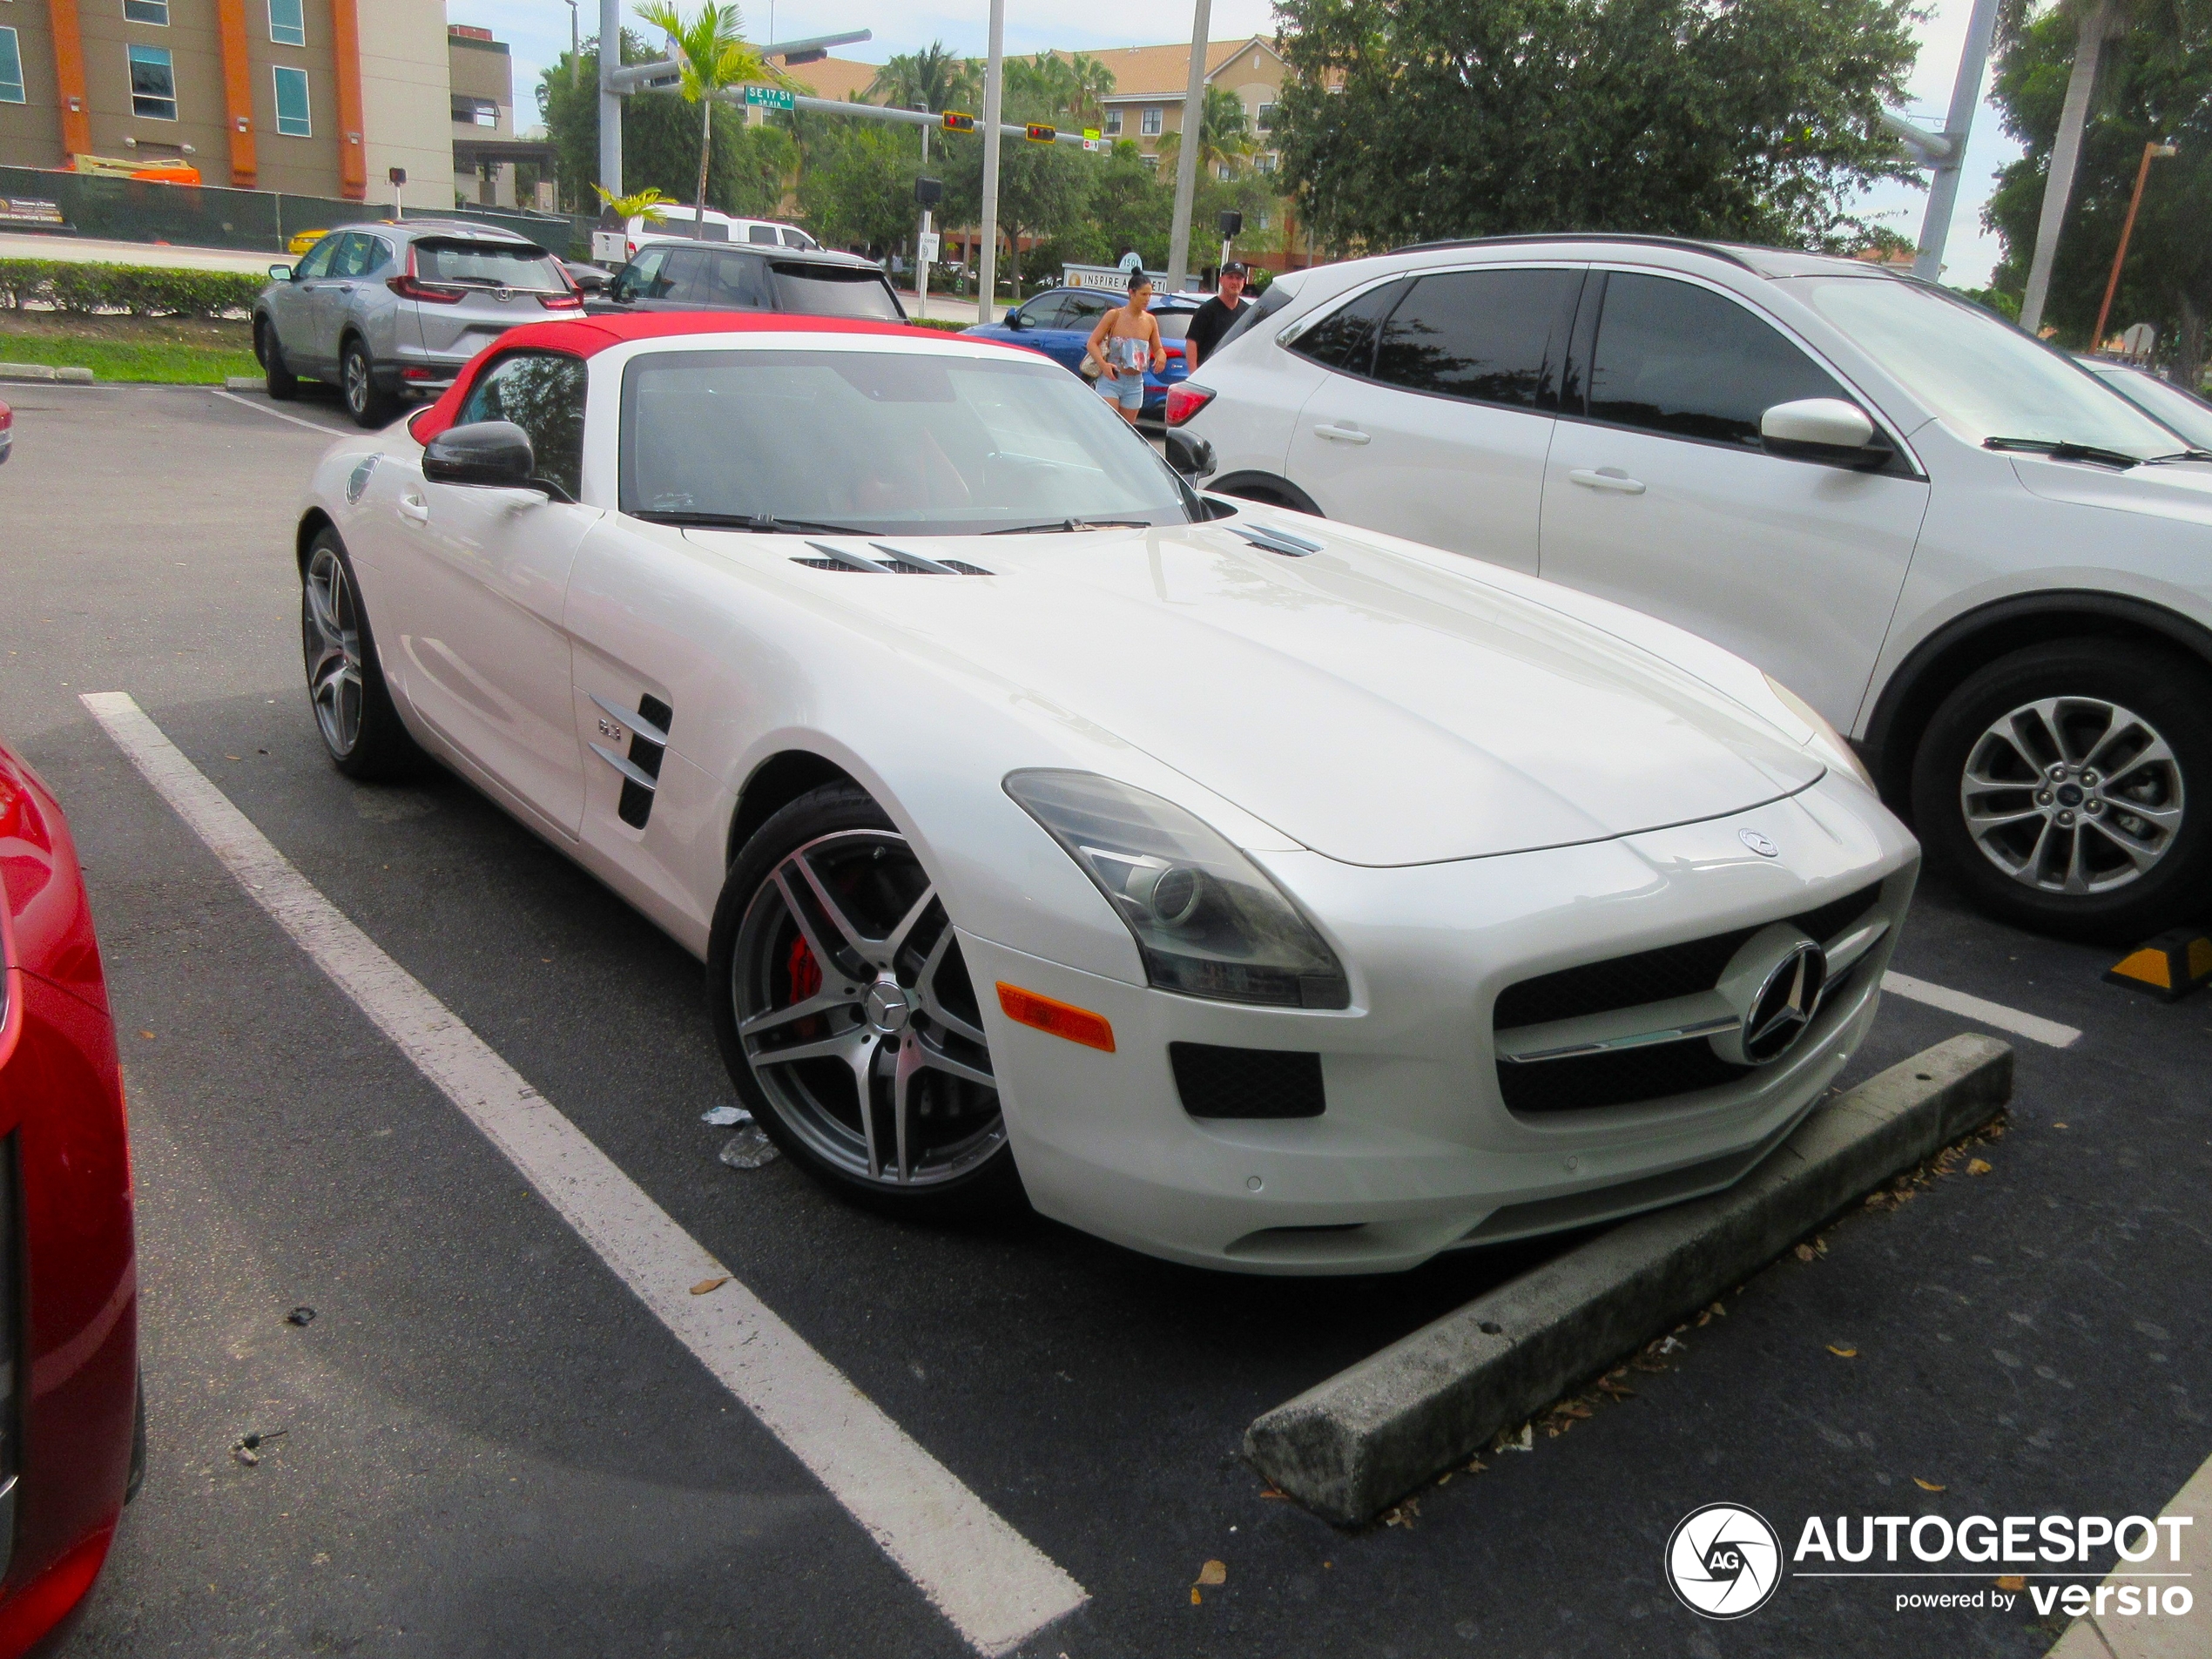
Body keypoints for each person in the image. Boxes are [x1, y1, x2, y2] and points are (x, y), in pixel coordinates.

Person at [1083, 276, 1166, 426]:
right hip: (1112, 379)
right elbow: (1092, 343)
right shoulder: (1114, 315)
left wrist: (1161, 356)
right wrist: (1103, 365)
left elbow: (1158, 347)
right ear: (1131, 293)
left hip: (1135, 383)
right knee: (1109, 425)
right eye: (1143, 294)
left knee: (1126, 431)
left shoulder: (1150, 320)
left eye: (1150, 295)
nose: (1147, 299)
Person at [1182, 261, 1252, 373]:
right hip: (1208, 374)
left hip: (1236, 375)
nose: (1235, 282)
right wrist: (1193, 375)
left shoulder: (1248, 313)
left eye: (1239, 278)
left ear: (1243, 282)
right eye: (1230, 277)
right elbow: (1192, 342)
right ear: (1221, 281)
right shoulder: (1207, 310)